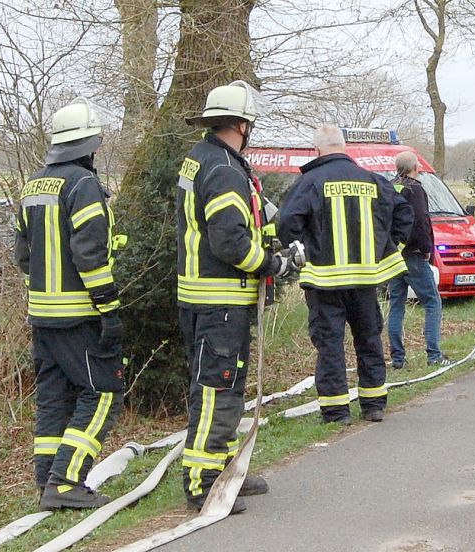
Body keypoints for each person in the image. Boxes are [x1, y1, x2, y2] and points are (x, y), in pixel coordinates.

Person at [177, 81, 297, 513]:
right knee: (217, 390)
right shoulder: (224, 169)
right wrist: (273, 265)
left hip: (207, 300)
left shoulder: (204, 159)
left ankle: (222, 468)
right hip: (220, 303)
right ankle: (204, 481)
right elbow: (229, 242)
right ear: (242, 124)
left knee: (222, 390)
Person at [15, 98, 126, 509]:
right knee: (103, 392)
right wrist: (109, 309)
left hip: (41, 315)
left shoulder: (32, 186)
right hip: (79, 315)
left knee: (52, 396)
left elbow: (24, 257)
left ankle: (46, 480)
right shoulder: (83, 186)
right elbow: (91, 255)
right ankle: (65, 481)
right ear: (90, 146)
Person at [278, 124, 413, 424]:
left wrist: (302, 251)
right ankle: (374, 404)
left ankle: (337, 412)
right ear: (344, 147)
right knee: (368, 339)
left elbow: (287, 222)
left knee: (330, 344)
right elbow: (405, 212)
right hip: (365, 278)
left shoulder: (309, 182)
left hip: (324, 281)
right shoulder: (372, 180)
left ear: (317, 150)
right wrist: (391, 247)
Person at [387, 151, 450, 369]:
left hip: (394, 257)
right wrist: (426, 249)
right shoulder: (416, 189)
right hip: (413, 255)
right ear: (416, 167)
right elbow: (422, 222)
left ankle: (397, 359)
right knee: (433, 302)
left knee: (396, 305)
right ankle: (434, 355)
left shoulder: (389, 187)